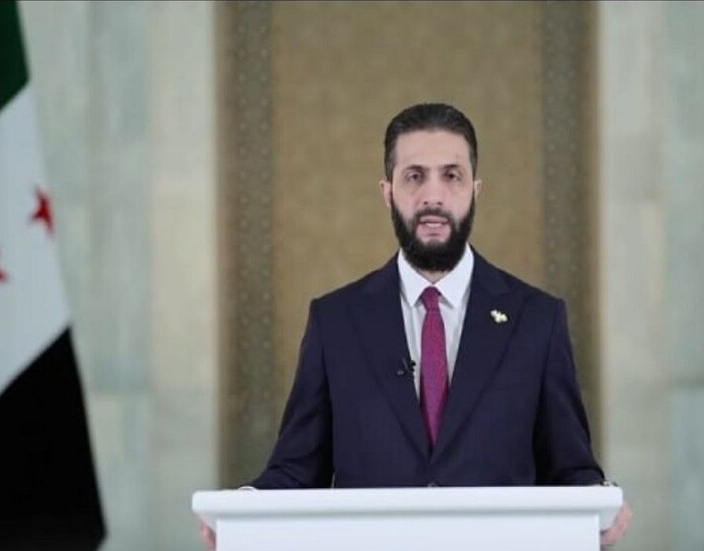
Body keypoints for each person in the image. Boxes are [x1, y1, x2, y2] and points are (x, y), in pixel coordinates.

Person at [200, 103, 631, 549]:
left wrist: (600, 504)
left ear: (475, 189)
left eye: (452, 175)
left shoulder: (537, 319)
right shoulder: (336, 322)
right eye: (414, 176)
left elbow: (570, 469)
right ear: (387, 192)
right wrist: (241, 514)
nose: (433, 196)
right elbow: (296, 469)